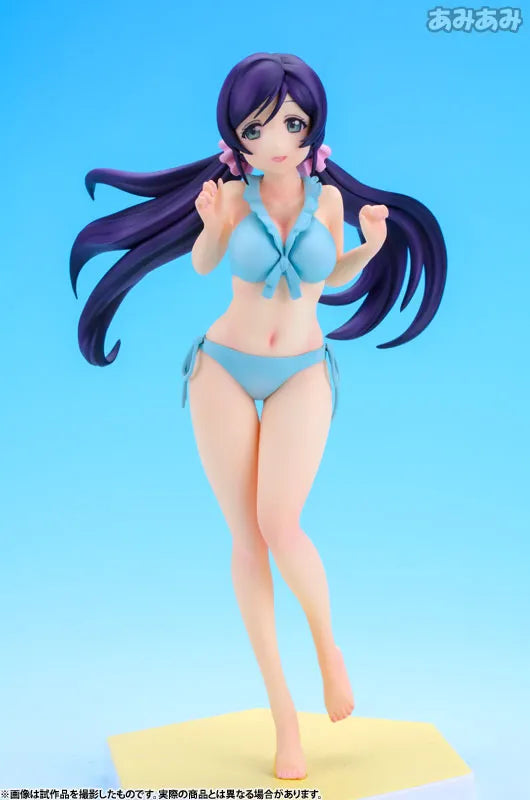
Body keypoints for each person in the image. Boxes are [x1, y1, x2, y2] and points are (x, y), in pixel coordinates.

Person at [70, 51, 447, 780]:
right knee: (247, 537)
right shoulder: (232, 197)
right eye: (258, 128)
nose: (278, 141)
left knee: (282, 523)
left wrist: (371, 248)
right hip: (223, 368)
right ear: (236, 135)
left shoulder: (327, 203)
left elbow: (327, 276)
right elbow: (204, 263)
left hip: (303, 369)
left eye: (293, 124)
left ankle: (328, 649)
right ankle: (284, 717)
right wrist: (212, 223)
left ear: (314, 128)